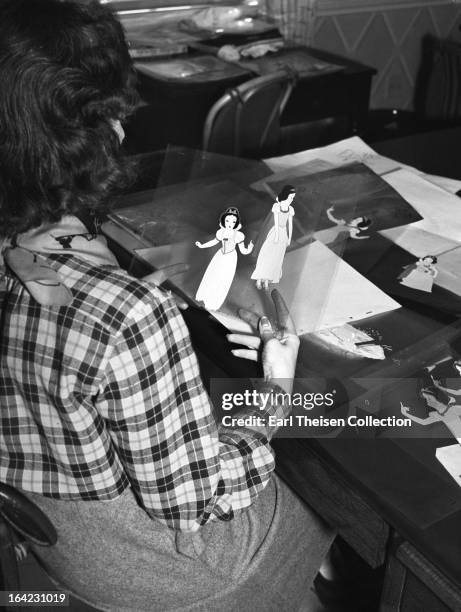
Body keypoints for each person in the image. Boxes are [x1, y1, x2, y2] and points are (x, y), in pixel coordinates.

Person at [0, 1, 334, 610]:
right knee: (326, 486)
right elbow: (197, 502)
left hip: (63, 545)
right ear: (95, 127)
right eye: (117, 115)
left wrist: (165, 324)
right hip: (165, 570)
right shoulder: (126, 316)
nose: (126, 130)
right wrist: (276, 392)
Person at [195, 207, 253, 311]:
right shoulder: (221, 232)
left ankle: (214, 303)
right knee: (212, 276)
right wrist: (202, 245)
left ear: (236, 223)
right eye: (227, 220)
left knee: (223, 279)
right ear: (223, 221)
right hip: (220, 256)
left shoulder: (238, 235)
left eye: (233, 221)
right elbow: (214, 242)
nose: (230, 223)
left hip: (230, 259)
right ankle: (202, 297)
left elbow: (243, 251)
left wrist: (249, 249)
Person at [251, 185, 296, 290]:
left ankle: (266, 280)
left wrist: (289, 238)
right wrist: (276, 236)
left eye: (293, 198)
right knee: (266, 254)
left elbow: (290, 224)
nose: (292, 199)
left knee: (276, 257)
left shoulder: (290, 209)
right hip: (274, 233)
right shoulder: (277, 206)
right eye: (290, 197)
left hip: (283, 233)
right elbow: (275, 222)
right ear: (286, 196)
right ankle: (259, 278)